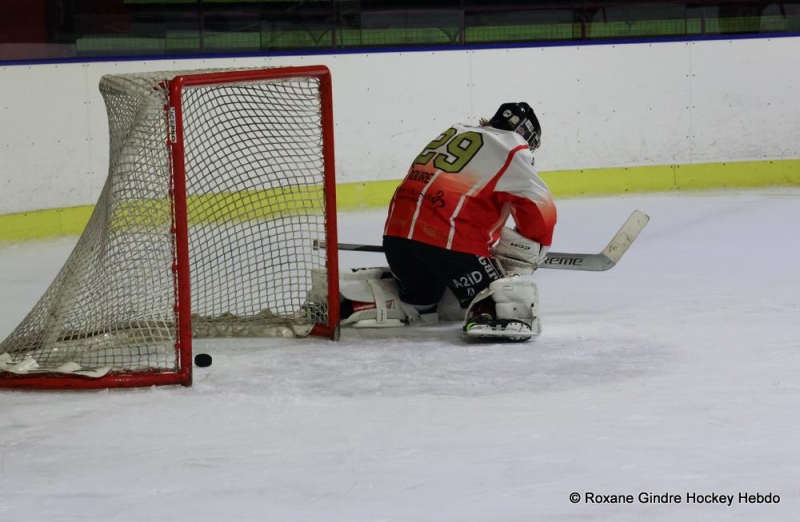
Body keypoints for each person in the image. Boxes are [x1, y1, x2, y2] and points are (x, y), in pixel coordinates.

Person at [335, 102, 557, 341]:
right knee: (504, 298)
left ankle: (359, 301)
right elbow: (539, 205)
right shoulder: (513, 147)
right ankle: (486, 312)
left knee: (425, 300)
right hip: (449, 245)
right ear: (526, 134)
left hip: (397, 240)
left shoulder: (455, 132)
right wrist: (531, 249)